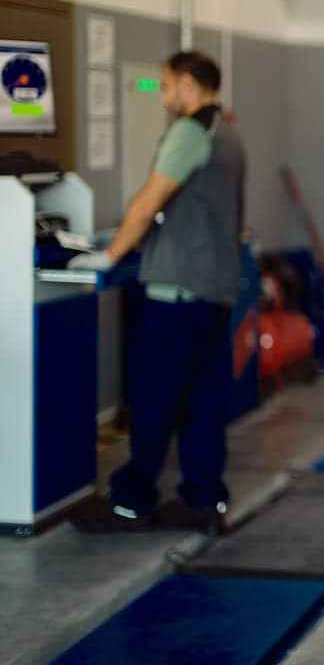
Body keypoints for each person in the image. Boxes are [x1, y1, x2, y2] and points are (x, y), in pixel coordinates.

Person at [69, 50, 246, 536]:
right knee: (202, 400)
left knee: (155, 395)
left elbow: (151, 200)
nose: (164, 96)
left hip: (179, 291)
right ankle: (203, 500)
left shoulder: (191, 132)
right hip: (214, 289)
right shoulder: (227, 132)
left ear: (188, 84)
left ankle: (131, 500)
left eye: (166, 86)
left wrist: (106, 257)